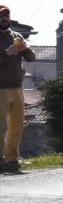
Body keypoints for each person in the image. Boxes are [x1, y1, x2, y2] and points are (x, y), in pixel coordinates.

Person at [0, 5, 35, 173]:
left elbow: (32, 58)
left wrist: (25, 49)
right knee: (1, 126)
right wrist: (6, 53)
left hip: (17, 87)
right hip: (1, 88)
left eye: (6, 16)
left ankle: (12, 159)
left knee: (17, 126)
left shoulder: (17, 36)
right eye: (1, 16)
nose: (4, 19)